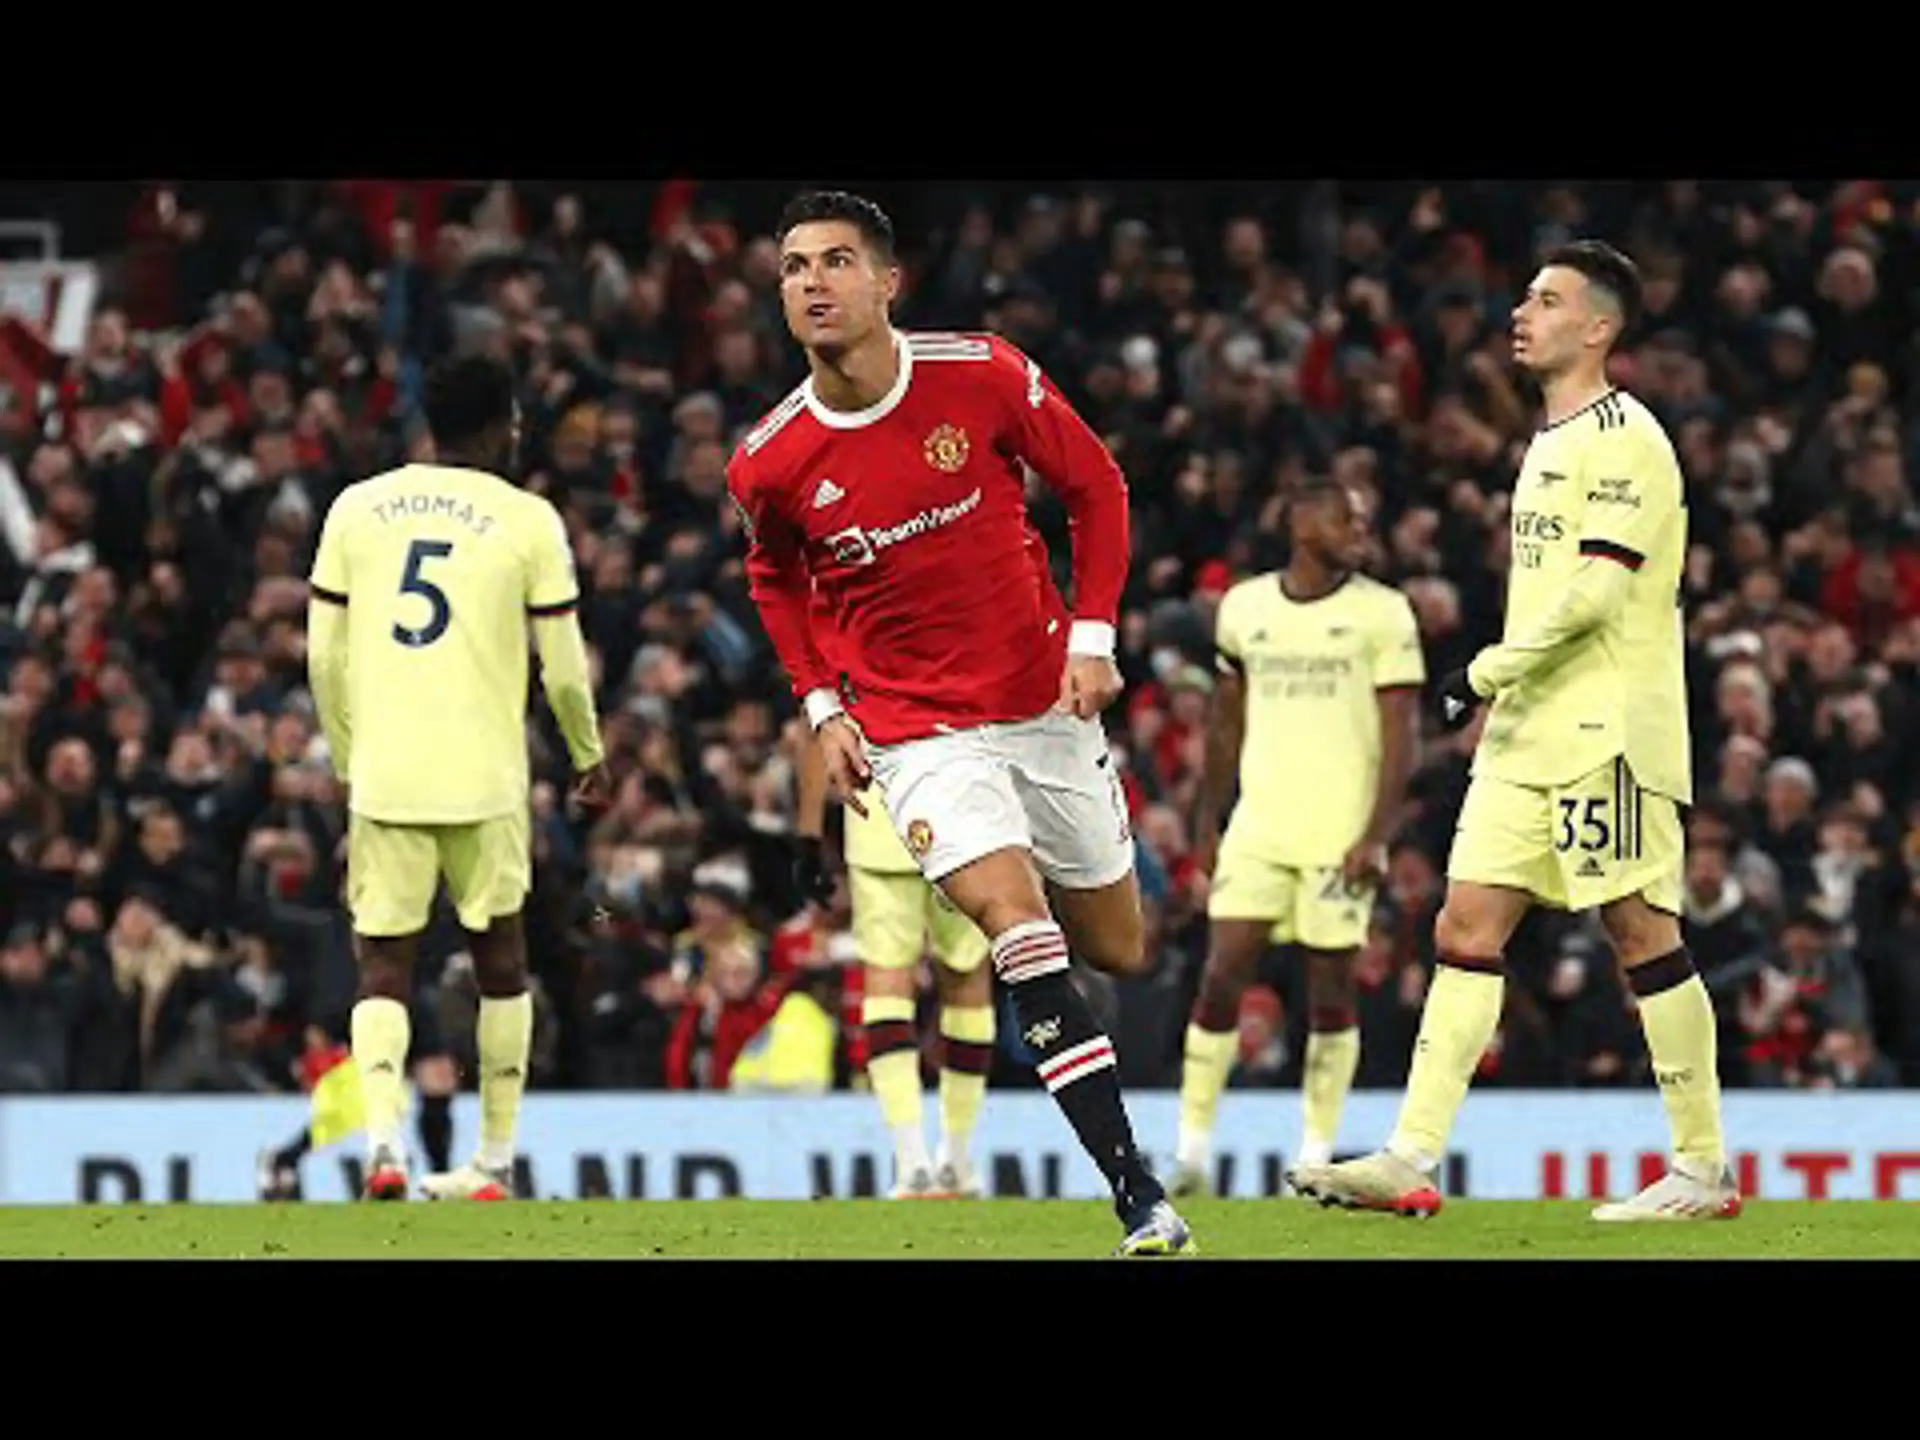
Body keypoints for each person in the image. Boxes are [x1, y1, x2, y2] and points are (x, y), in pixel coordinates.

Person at [727, 189, 1192, 1255]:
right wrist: (821, 704)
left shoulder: (980, 373)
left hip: (1044, 702)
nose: (812, 282)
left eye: (837, 262)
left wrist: (1093, 633)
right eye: (795, 266)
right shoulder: (771, 457)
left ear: (889, 282)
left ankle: (1063, 1042)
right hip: (915, 734)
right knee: (1017, 929)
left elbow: (1098, 486)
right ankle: (1138, 1195)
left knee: (1116, 947)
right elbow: (774, 579)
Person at [1287, 240, 1739, 1222]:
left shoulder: (1628, 437)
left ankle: (1702, 1168)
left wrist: (1482, 672)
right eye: (1525, 297)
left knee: (1639, 929)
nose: (1520, 314)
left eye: (1546, 300)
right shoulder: (1550, 439)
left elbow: (1597, 589)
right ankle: (1412, 1156)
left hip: (1608, 728)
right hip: (1529, 730)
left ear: (1599, 328)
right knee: (1463, 927)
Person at [306, 352, 610, 1201]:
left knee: (382, 965)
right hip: (486, 777)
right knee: (500, 960)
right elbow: (564, 671)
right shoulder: (529, 520)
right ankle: (494, 1160)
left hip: (388, 772)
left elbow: (323, 658)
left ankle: (383, 1147)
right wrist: (586, 751)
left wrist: (344, 757)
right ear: (497, 426)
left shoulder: (356, 509)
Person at [1171, 478, 1422, 1195]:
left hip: (1339, 832)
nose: (1361, 528)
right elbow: (1226, 722)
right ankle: (1191, 1151)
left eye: (1365, 519)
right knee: (1221, 975)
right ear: (1301, 518)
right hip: (1260, 825)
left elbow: (1401, 734)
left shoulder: (1384, 613)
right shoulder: (1245, 609)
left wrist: (1376, 834)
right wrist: (1208, 821)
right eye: (1347, 516)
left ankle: (1314, 1155)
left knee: (1332, 989)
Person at [795, 723, 995, 1199]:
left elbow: (816, 720)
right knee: (967, 978)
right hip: (962, 811)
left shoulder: (846, 643)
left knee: (886, 980)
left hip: (879, 814)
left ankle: (911, 1161)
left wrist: (807, 834)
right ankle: (957, 1157)